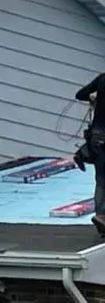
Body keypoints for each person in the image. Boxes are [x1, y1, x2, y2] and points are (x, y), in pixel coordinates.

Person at [75, 74, 105, 233]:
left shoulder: (102, 79)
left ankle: (100, 217)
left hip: (97, 136)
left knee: (101, 180)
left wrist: (94, 99)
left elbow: (80, 95)